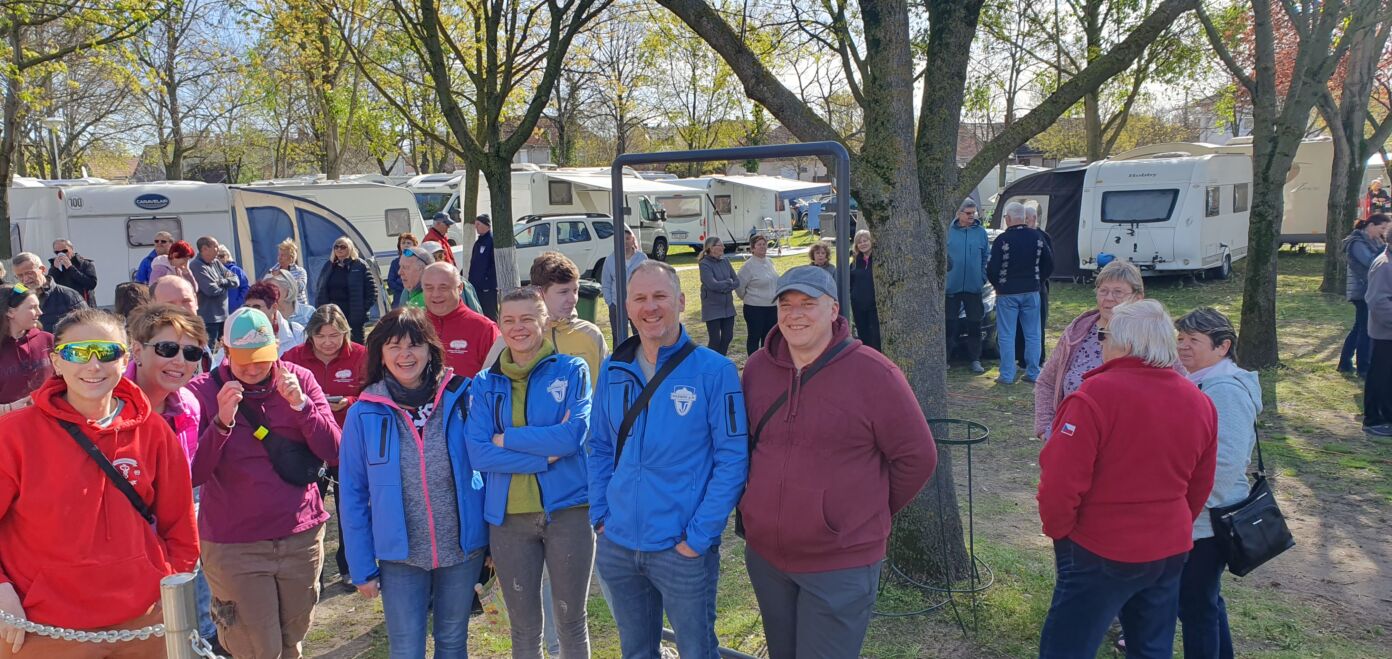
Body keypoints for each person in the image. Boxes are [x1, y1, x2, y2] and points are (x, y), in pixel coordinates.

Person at [740, 266, 936, 659]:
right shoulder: (758, 369)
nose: (795, 314)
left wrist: (858, 513)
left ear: (833, 311)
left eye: (808, 304)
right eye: (786, 304)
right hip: (767, 560)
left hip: (839, 565)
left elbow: (917, 457)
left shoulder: (875, 373)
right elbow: (744, 446)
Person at [0, 307, 197, 657]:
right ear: (56, 361)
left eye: (107, 353)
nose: (93, 366)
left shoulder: (152, 431)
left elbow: (180, 525)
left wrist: (167, 588)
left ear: (125, 359)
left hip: (144, 625)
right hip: (41, 629)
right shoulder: (13, 435)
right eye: (77, 353)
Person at [1036, 299, 1217, 658]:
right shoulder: (1198, 400)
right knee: (1151, 647)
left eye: (1104, 335)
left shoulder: (1094, 396)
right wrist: (1174, 523)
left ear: (1126, 343)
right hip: (1168, 547)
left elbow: (1060, 481)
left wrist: (1060, 531)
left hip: (1100, 546)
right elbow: (1200, 484)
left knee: (1067, 647)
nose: (1100, 343)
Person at [588, 260, 749, 659]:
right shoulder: (614, 369)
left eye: (660, 296)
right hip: (619, 543)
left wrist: (699, 537)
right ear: (627, 307)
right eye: (640, 298)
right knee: (637, 651)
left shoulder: (715, 371)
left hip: (681, 548)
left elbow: (732, 460)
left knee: (697, 651)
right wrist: (601, 517)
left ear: (680, 301)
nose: (651, 306)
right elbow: (599, 447)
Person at [188, 306, 340, 659]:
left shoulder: (299, 379)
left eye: (262, 359)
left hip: (299, 535)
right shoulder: (201, 391)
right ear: (225, 352)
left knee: (291, 642)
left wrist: (302, 408)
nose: (254, 369)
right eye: (244, 362)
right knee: (259, 649)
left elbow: (335, 449)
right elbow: (192, 473)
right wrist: (222, 424)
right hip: (235, 543)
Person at [338, 307, 485, 658]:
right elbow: (353, 494)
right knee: (406, 649)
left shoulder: (462, 396)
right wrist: (360, 566)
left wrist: (492, 541)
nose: (406, 355)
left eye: (415, 344)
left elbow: (488, 470)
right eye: (394, 346)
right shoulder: (364, 412)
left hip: (461, 550)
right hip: (399, 558)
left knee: (452, 642)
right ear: (381, 354)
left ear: (430, 349)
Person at [466, 287, 595, 659]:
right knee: (524, 629)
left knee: (571, 621)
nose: (518, 327)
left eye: (527, 319)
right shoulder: (485, 383)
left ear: (544, 321)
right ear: (499, 325)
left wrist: (505, 440)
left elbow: (572, 436)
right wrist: (542, 456)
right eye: (509, 320)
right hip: (508, 518)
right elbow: (478, 451)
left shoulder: (572, 370)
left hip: (569, 510)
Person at [124, 303, 220, 649]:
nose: (180, 361)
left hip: (175, 548)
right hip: (123, 555)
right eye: (167, 349)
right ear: (137, 349)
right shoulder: (107, 402)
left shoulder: (191, 406)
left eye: (191, 351)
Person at [1174, 307, 1260, 659]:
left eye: (1194, 340)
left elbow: (1226, 466)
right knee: (1203, 601)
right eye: (1180, 338)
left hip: (1208, 521)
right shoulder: (1200, 381)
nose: (1184, 347)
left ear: (1223, 347)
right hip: (1198, 518)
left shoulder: (1225, 390)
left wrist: (1192, 509)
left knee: (1196, 606)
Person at [284, 305, 368, 590]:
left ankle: (349, 565)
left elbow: (373, 392)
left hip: (349, 441)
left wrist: (349, 402)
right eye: (322, 336)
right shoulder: (294, 358)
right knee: (307, 507)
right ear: (310, 336)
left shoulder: (360, 355)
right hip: (308, 443)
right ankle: (311, 570)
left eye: (335, 335)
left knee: (350, 506)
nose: (329, 342)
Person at [1034, 259, 1146, 439]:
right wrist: (1046, 430)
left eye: (1118, 292)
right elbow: (1046, 382)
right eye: (1103, 291)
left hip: (1127, 447)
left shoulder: (1150, 337)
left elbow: (1177, 388)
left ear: (1138, 298)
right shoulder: (1078, 332)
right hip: (1071, 441)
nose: (1109, 298)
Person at [988, 201, 1053, 384]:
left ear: (1008, 219)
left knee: (1007, 334)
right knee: (1033, 333)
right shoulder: (1037, 237)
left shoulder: (1002, 240)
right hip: (1031, 290)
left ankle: (1007, 375)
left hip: (1007, 293)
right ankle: (1033, 372)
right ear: (1024, 218)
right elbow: (1049, 264)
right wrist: (1037, 280)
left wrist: (997, 285)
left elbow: (992, 268)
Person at [531, 251, 607, 375]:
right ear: (539, 293)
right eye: (563, 292)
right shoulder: (523, 338)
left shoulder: (592, 334)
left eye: (575, 290)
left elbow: (608, 386)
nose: (573, 299)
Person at [421, 262, 501, 377]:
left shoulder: (484, 329)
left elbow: (497, 379)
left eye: (443, 287)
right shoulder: (413, 325)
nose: (436, 294)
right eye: (429, 288)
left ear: (460, 288)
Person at [1340, 213, 1390, 377]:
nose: (1383, 232)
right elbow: (1369, 262)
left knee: (1358, 328)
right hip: (1361, 291)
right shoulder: (1357, 243)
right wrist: (1384, 249)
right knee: (1365, 330)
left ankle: (1345, 362)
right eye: (1382, 228)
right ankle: (1363, 367)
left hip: (1367, 289)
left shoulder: (1375, 241)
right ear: (1371, 225)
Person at [946, 198, 988, 373]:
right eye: (968, 213)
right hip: (950, 287)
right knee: (949, 324)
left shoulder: (980, 232)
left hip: (973, 287)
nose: (972, 216)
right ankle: (945, 358)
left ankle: (975, 359)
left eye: (974, 213)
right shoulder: (948, 231)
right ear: (959, 213)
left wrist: (982, 277)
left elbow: (986, 256)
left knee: (974, 324)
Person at [0, 284, 51, 417]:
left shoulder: (48, 340)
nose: (40, 312)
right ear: (10, 312)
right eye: (32, 307)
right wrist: (8, 408)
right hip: (8, 429)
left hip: (50, 424)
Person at [315, 237, 379, 343]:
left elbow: (372, 291)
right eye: (336, 246)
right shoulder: (329, 266)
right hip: (333, 315)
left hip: (354, 316)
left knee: (356, 346)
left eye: (343, 247)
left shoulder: (360, 265)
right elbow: (320, 289)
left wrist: (362, 309)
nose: (339, 249)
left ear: (350, 249)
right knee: (336, 343)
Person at [11, 252, 84, 333]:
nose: (25, 279)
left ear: (42, 269)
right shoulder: (14, 300)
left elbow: (86, 327)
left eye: (29, 273)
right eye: (20, 276)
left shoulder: (69, 296)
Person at [1362, 238, 1392, 435]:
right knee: (1380, 377)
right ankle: (1374, 420)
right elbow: (1377, 300)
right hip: (1385, 334)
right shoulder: (1384, 265)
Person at [1016, 204, 1052, 367]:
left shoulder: (1042, 237)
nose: (1023, 222)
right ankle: (1021, 357)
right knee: (1020, 324)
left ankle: (1038, 358)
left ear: (1034, 219)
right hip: (1020, 288)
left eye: (1026, 219)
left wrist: (1039, 280)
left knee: (1037, 325)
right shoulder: (1019, 235)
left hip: (1038, 288)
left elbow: (1049, 264)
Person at [190, 236, 240, 344]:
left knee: (225, 350)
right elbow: (211, 290)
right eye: (215, 247)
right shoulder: (196, 265)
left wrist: (221, 282)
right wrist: (226, 286)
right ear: (204, 249)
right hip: (209, 320)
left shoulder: (216, 263)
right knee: (211, 352)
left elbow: (236, 280)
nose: (218, 250)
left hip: (224, 317)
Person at [600, 225, 646, 339]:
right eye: (622, 239)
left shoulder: (642, 258)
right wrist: (610, 303)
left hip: (637, 303)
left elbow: (648, 279)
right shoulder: (610, 259)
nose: (625, 242)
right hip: (617, 305)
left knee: (640, 336)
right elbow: (606, 283)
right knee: (618, 337)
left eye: (627, 238)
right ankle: (620, 357)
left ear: (632, 240)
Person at [737, 234, 779, 356]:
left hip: (772, 307)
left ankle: (766, 362)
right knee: (754, 337)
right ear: (753, 248)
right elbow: (740, 287)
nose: (762, 247)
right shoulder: (748, 266)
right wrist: (747, 298)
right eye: (759, 245)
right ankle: (753, 362)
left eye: (764, 244)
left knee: (769, 338)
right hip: (754, 308)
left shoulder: (770, 262)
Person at [241, 280, 305, 356]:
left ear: (274, 307)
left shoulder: (297, 333)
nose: (251, 312)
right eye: (247, 307)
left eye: (257, 307)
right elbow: (224, 363)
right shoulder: (238, 333)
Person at [698, 236, 738, 356]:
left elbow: (737, 281)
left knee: (728, 337)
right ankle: (710, 363)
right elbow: (712, 284)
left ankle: (720, 361)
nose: (723, 247)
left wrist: (727, 285)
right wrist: (728, 283)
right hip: (712, 306)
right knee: (715, 340)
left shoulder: (725, 261)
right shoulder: (704, 263)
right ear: (711, 247)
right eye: (720, 245)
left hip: (728, 306)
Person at [849, 229, 881, 352]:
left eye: (865, 240)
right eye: (859, 242)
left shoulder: (879, 259)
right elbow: (850, 281)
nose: (863, 244)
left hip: (874, 305)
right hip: (858, 304)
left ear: (871, 241)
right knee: (863, 334)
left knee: (875, 335)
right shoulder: (856, 262)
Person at [48, 239, 98, 306]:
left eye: (64, 251)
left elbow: (91, 284)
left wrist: (70, 268)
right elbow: (49, 286)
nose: (61, 254)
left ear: (71, 249)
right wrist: (55, 269)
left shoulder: (85, 264)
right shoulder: (55, 266)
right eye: (57, 252)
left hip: (83, 305)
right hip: (63, 306)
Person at [469, 214, 498, 319]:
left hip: (487, 288)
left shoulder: (491, 241)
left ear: (486, 225)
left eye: (478, 224)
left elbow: (494, 263)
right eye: (475, 224)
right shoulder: (478, 242)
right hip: (477, 287)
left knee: (490, 314)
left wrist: (486, 280)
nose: (476, 227)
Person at [265, 239, 309, 306]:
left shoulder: (300, 271)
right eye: (279, 255)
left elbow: (300, 287)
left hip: (299, 308)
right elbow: (265, 288)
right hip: (280, 308)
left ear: (291, 257)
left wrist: (282, 280)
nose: (279, 258)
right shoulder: (272, 271)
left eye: (283, 255)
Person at [216, 245, 251, 313]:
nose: (219, 259)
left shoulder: (236, 270)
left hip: (234, 310)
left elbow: (246, 287)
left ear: (227, 256)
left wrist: (237, 303)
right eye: (217, 257)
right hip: (217, 312)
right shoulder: (212, 270)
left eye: (222, 256)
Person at [388, 232, 419, 308]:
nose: (406, 245)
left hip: (415, 296)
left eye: (409, 243)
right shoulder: (395, 263)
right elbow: (390, 281)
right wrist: (403, 288)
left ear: (414, 245)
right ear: (399, 246)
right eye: (403, 243)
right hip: (399, 298)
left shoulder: (418, 261)